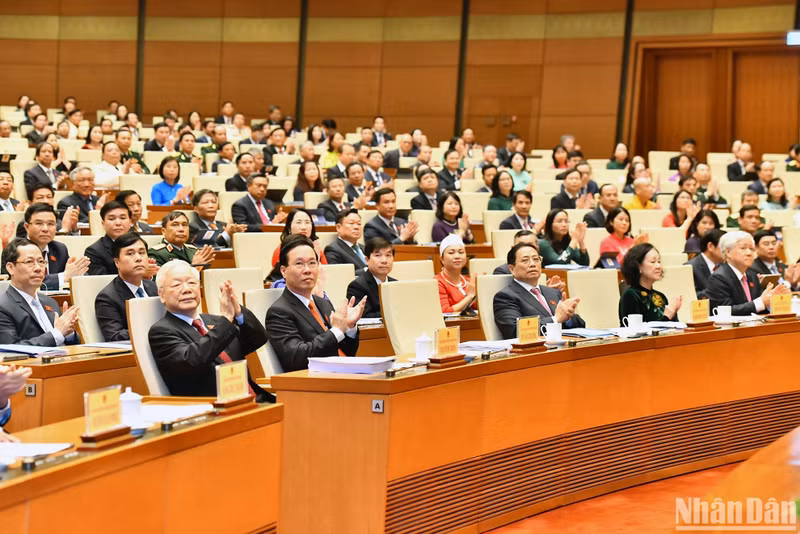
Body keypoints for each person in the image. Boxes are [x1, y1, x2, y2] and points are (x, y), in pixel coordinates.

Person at [148, 260, 273, 401]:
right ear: (162, 294)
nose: (186, 289)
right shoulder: (161, 331)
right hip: (214, 408)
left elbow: (258, 339)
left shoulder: (214, 322)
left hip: (255, 401)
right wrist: (226, 320)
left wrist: (238, 312)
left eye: (192, 283)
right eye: (177, 285)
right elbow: (193, 360)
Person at [266, 236, 366, 372]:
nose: (307, 270)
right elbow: (296, 358)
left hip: (343, 373)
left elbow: (348, 351)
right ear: (283, 271)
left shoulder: (322, 302)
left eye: (312, 263)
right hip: (315, 383)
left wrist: (349, 328)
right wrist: (336, 330)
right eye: (299, 264)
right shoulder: (279, 312)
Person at [493, 242, 584, 339]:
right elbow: (515, 331)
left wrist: (568, 318)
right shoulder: (505, 297)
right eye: (525, 260)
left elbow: (581, 325)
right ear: (512, 269)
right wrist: (555, 319)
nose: (532, 264)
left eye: (536, 259)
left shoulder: (553, 292)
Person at [0, 238, 79, 346]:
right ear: (10, 268)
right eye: (29, 262)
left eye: (41, 262)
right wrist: (57, 333)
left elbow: (71, 343)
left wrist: (68, 332)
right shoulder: (3, 307)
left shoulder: (50, 302)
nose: (38, 268)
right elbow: (10, 349)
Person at [95, 233, 158, 342]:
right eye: (130, 254)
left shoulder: (156, 287)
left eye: (142, 253)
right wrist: (155, 328)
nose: (138, 258)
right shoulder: (107, 297)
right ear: (117, 262)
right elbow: (114, 336)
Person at [707, 231, 789, 315]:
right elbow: (724, 311)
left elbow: (759, 310)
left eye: (751, 249)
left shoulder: (752, 275)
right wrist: (761, 302)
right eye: (743, 248)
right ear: (728, 252)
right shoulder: (719, 277)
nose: (749, 253)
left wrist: (774, 301)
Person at [23, 204, 88, 290]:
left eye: (51, 224)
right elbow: (25, 282)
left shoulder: (59, 249)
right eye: (39, 223)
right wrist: (63, 277)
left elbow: (72, 274)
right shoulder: (17, 250)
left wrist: (78, 272)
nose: (45, 229)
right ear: (27, 227)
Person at [618, 243, 682, 324]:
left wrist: (673, 312)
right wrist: (667, 316)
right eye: (653, 262)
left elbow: (674, 328)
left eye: (659, 261)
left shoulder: (661, 296)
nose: (658, 266)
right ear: (638, 266)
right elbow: (635, 332)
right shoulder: (630, 295)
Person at [345, 237, 396, 318]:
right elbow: (363, 316)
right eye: (378, 255)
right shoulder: (357, 286)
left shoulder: (396, 284)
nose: (384, 260)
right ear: (367, 260)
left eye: (388, 255)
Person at [149, 211, 216, 267]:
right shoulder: (156, 253)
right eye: (175, 225)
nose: (181, 229)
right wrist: (193, 266)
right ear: (164, 231)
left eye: (184, 225)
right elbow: (160, 280)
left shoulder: (194, 251)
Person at [435, 235, 477, 314]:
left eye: (461, 252)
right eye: (451, 253)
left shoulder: (468, 281)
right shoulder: (437, 282)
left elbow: (476, 308)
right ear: (442, 259)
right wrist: (470, 296)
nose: (457, 256)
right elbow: (444, 312)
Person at [687, 228, 725, 299]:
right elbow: (690, 296)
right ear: (710, 246)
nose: (727, 250)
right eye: (724, 246)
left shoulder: (726, 265)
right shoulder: (690, 267)